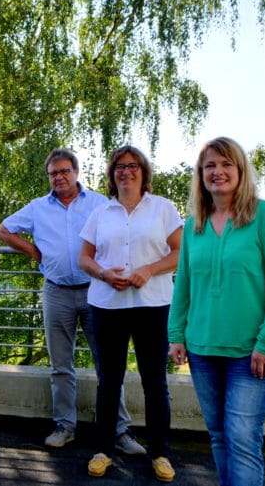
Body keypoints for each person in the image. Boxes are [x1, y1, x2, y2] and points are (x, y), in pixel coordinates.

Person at [0, 148, 144, 454]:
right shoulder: (37, 208)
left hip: (97, 292)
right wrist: (33, 251)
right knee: (61, 366)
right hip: (56, 292)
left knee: (108, 364)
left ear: (76, 172)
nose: (59, 177)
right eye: (53, 173)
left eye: (64, 171)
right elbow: (3, 231)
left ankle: (119, 430)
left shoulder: (100, 204)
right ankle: (65, 426)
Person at [168, 137, 265, 486]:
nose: (218, 171)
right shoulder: (195, 223)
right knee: (219, 435)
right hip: (202, 348)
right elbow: (184, 284)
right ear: (201, 174)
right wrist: (176, 334)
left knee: (241, 437)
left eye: (226, 164)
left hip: (251, 352)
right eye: (210, 165)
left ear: (240, 170)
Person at [78, 145, 183, 482]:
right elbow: (84, 258)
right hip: (107, 305)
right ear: (112, 174)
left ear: (144, 171)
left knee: (155, 381)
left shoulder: (163, 208)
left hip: (153, 305)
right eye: (120, 167)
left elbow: (180, 252)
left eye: (133, 165)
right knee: (109, 382)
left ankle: (160, 453)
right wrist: (103, 274)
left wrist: (149, 270)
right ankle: (103, 451)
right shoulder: (101, 213)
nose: (126, 171)